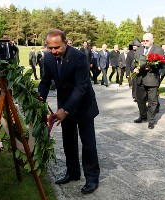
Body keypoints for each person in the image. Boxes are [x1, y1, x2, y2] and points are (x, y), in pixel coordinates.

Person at [38, 29, 100, 194]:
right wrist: (39, 100)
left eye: (57, 47)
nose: (53, 51)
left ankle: (92, 179)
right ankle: (72, 173)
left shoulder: (79, 57)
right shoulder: (49, 58)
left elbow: (81, 87)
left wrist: (65, 110)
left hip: (84, 106)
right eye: (50, 48)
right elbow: (45, 81)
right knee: (68, 142)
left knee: (88, 145)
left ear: (66, 43)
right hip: (65, 106)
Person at [133, 33, 164, 129]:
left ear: (152, 40)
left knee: (152, 101)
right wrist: (134, 68)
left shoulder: (158, 50)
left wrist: (149, 68)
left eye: (146, 40)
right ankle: (143, 116)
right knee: (140, 100)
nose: (144, 42)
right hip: (140, 79)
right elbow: (135, 62)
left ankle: (151, 121)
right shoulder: (139, 49)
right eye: (143, 41)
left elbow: (161, 65)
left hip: (152, 79)